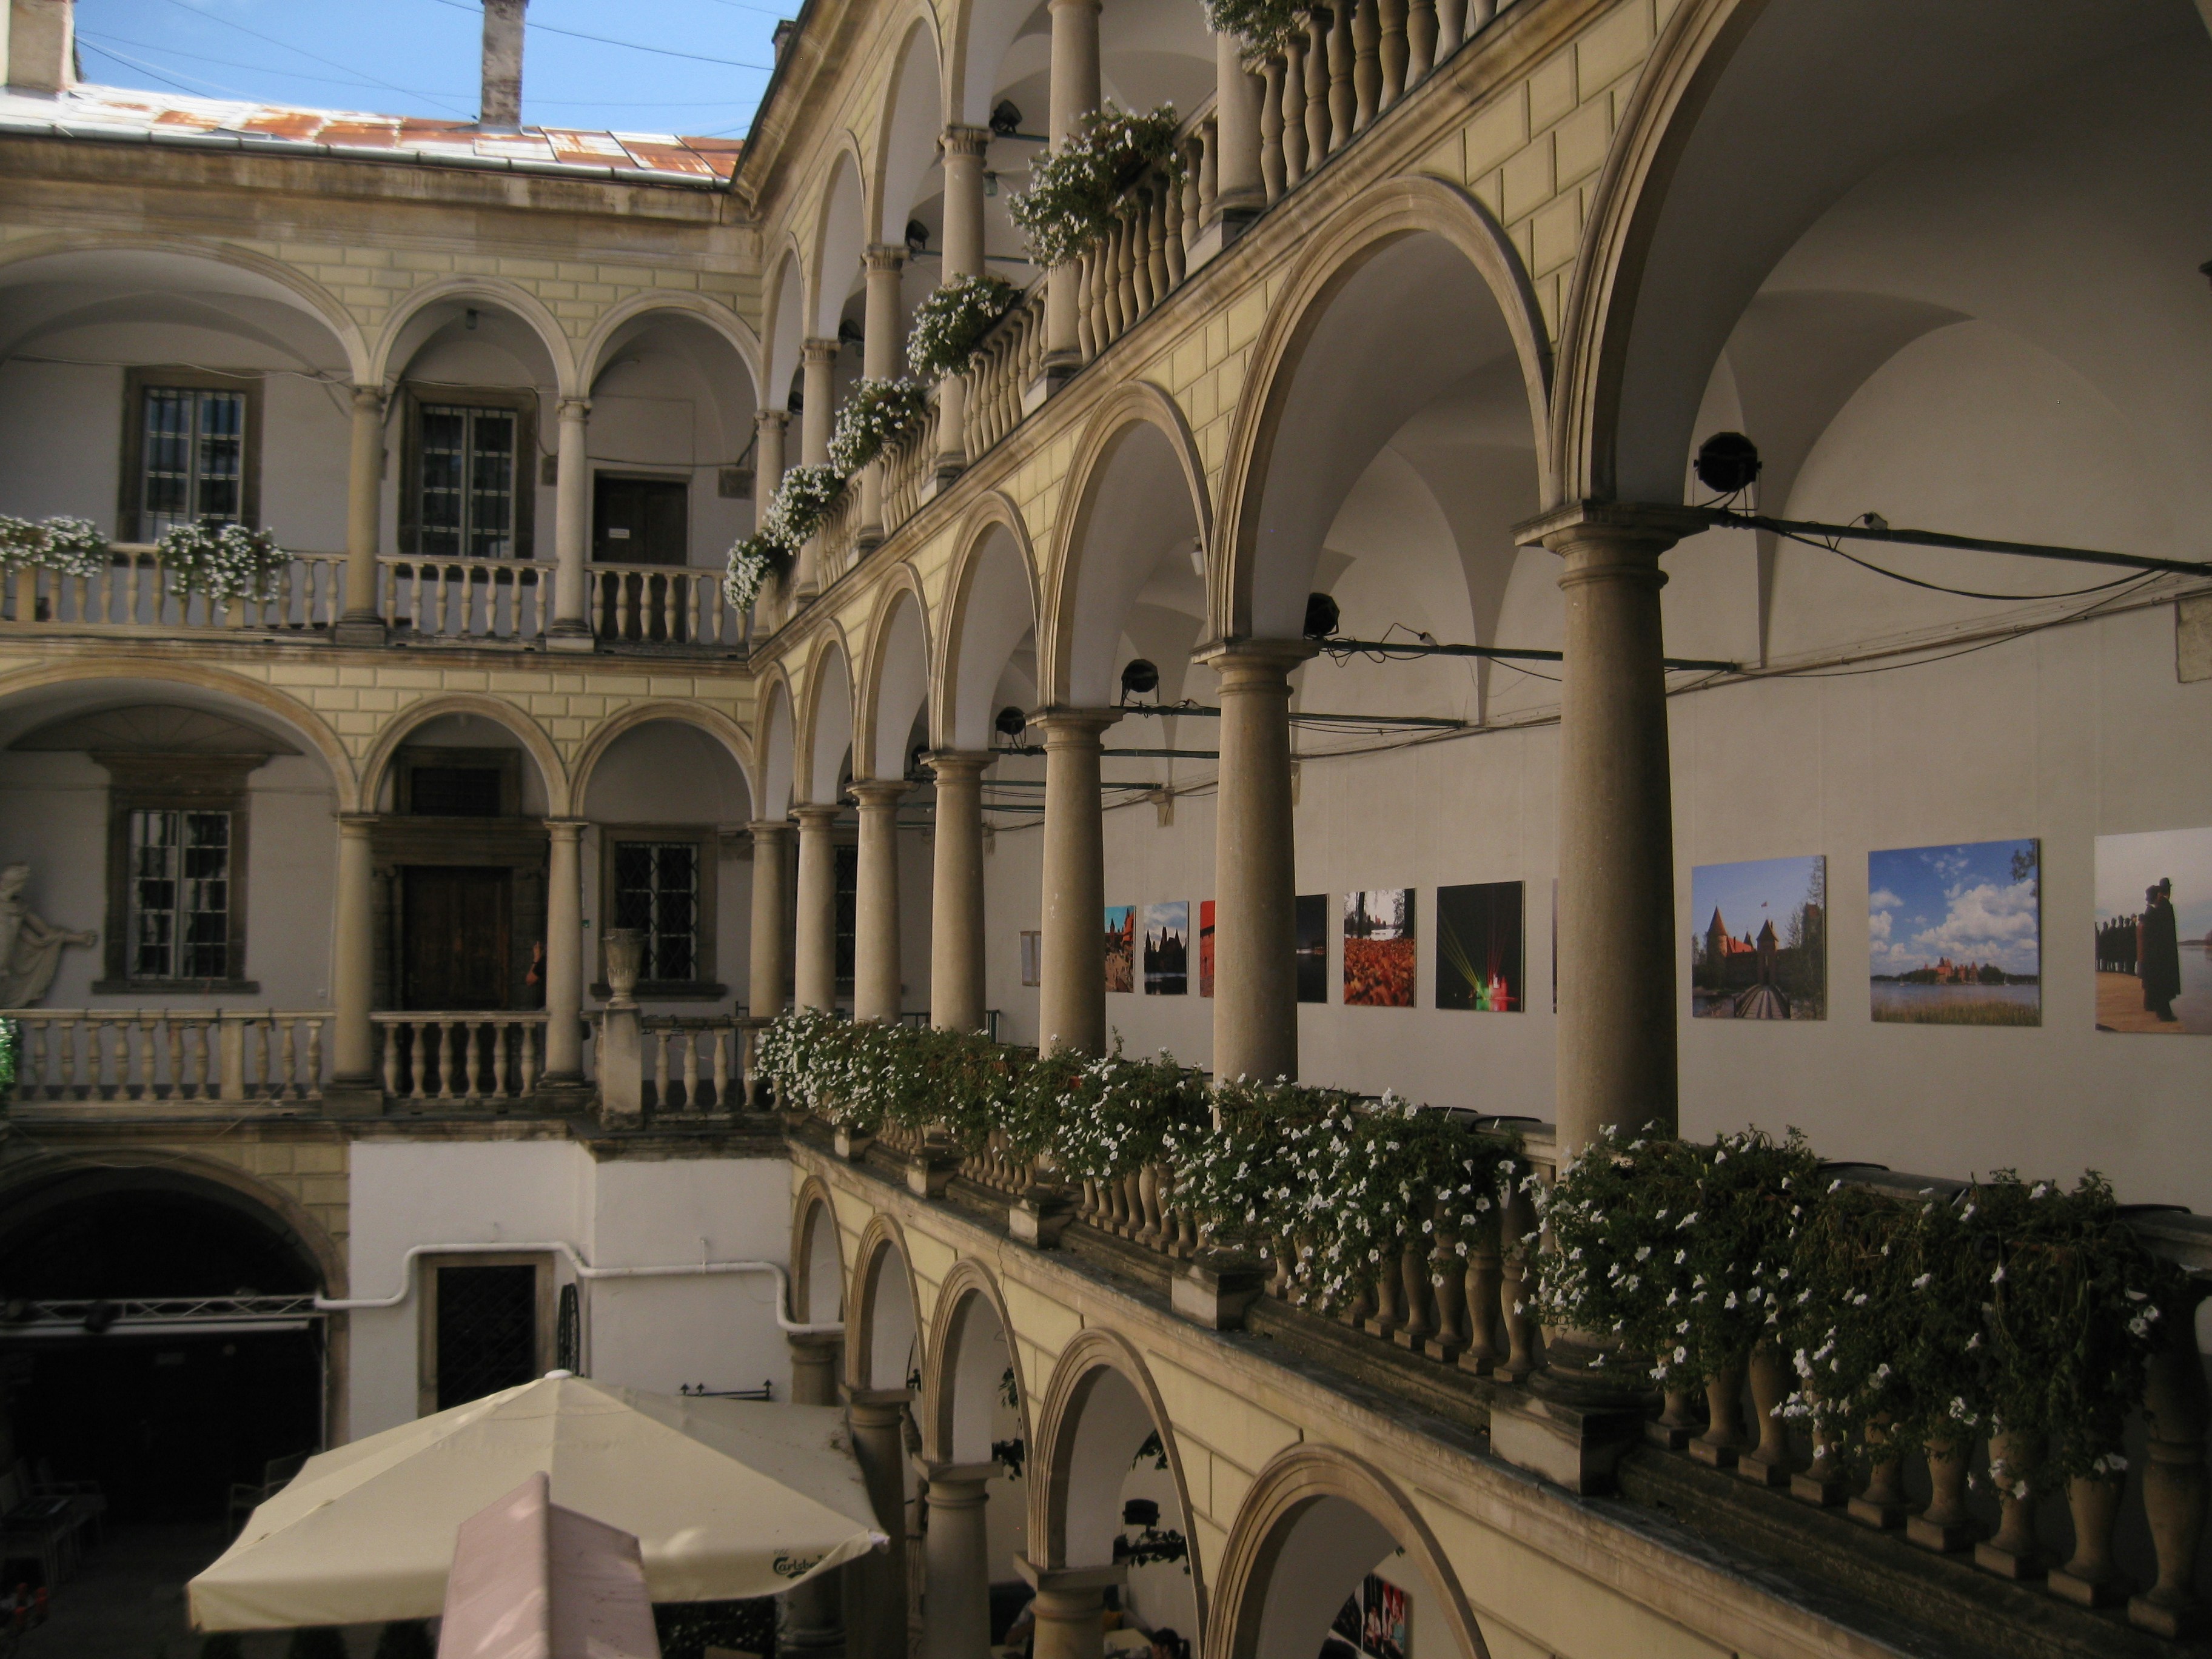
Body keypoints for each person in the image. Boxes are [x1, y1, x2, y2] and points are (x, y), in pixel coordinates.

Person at [2140, 877, 2182, 1022]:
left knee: (2158, 984)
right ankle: (2164, 1014)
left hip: (2157, 954)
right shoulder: (2164, 906)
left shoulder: (2156, 909)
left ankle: (2159, 1009)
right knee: (2164, 984)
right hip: (2163, 955)